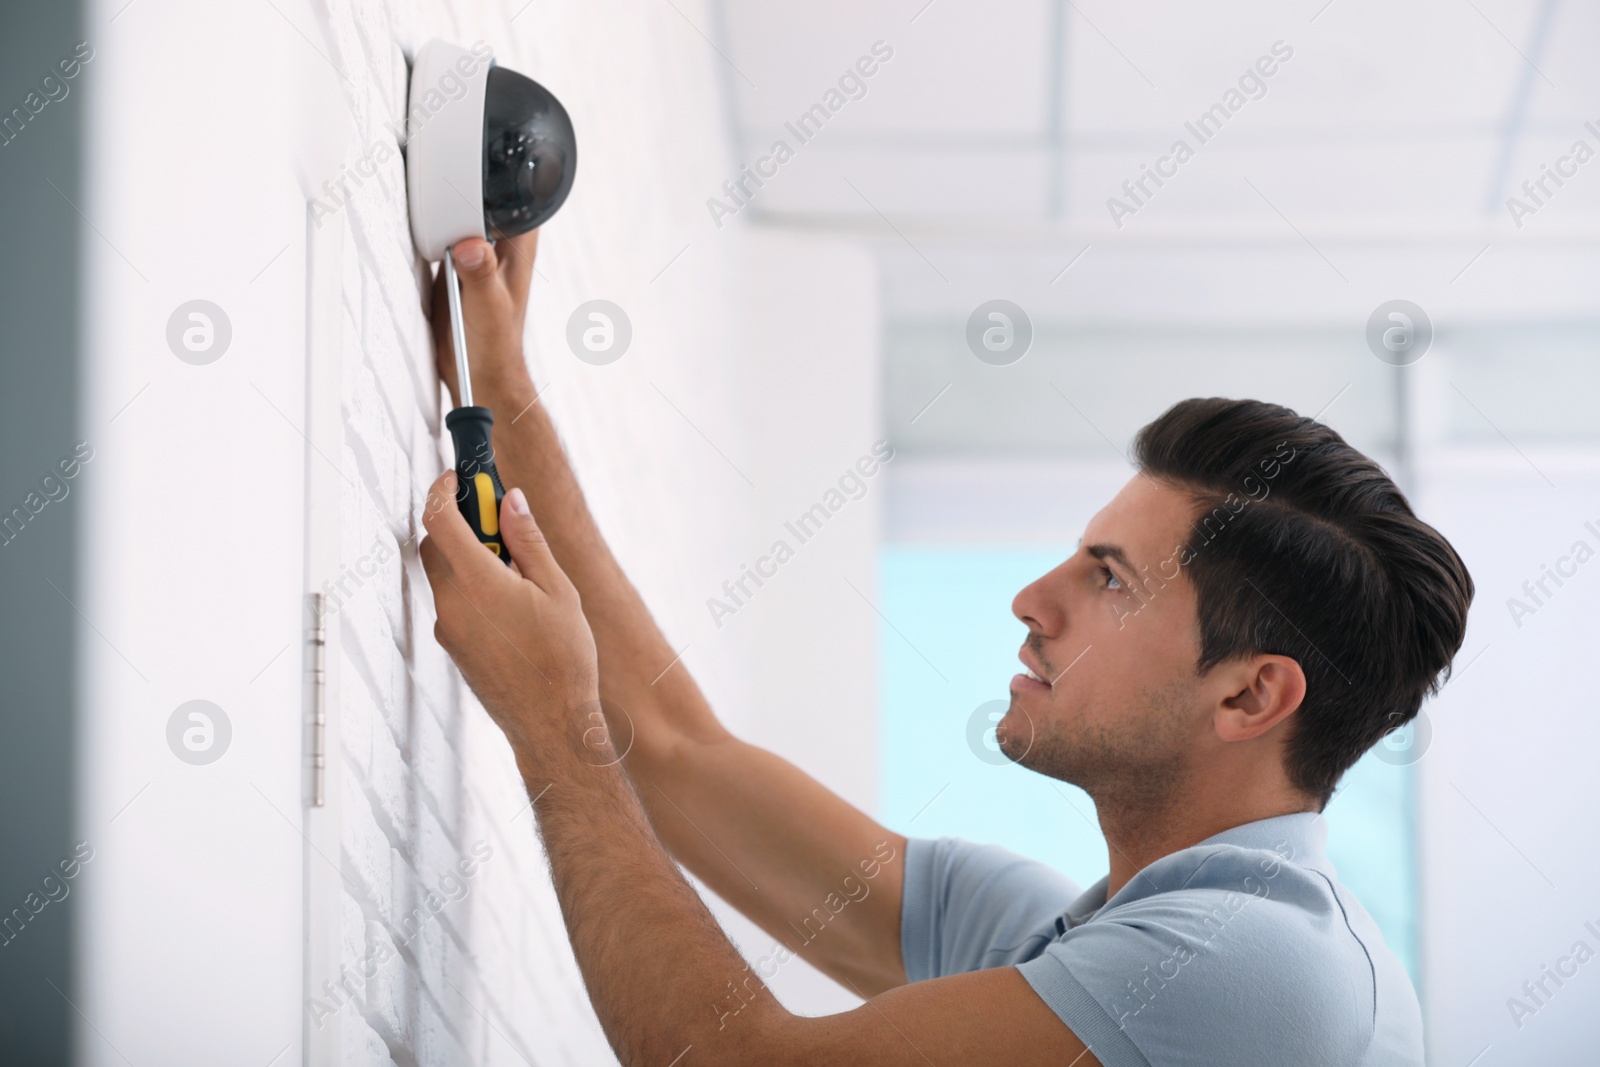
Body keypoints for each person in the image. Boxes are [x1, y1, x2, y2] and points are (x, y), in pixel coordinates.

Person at [417, 231, 1472, 1066]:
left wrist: (554, 726)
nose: (1030, 598)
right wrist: (501, 385)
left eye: (1108, 578)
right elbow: (684, 759)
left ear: (1249, 696)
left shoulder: (1260, 967)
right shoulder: (1093, 944)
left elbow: (738, 1059)